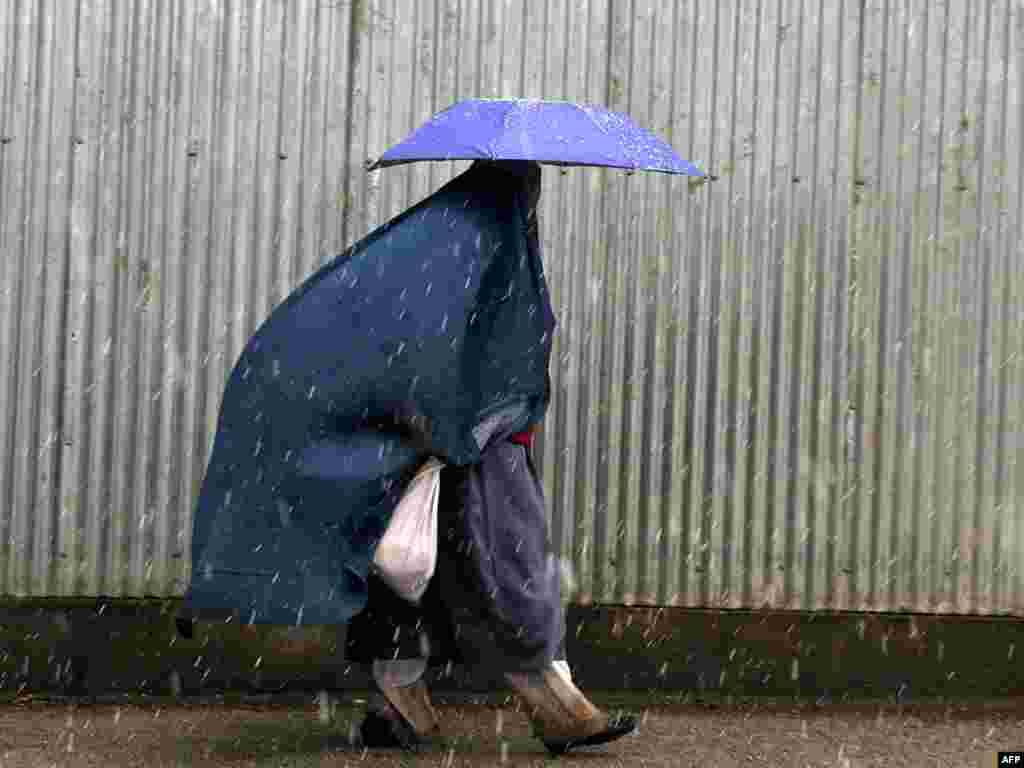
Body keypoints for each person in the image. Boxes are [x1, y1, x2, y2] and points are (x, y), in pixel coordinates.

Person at [178, 159, 635, 755]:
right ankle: (556, 706)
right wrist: (464, 416)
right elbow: (462, 341)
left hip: (412, 431)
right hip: (464, 432)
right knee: (505, 563)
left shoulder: (436, 236)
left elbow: (415, 329)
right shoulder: (483, 237)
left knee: (394, 556)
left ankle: (403, 705)